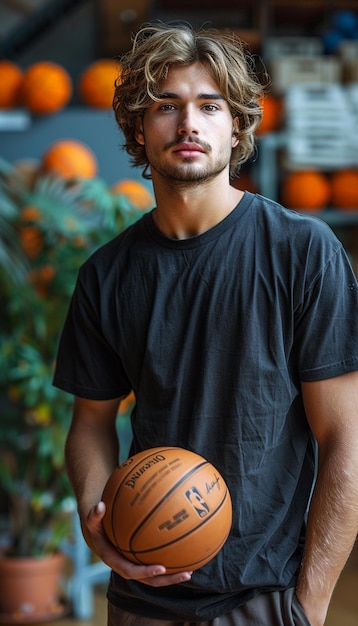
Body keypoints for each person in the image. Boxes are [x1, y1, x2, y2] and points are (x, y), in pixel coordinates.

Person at [53, 22, 358, 626]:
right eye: (166, 106)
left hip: (265, 596)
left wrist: (310, 603)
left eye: (209, 105)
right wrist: (96, 517)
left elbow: (345, 439)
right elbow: (91, 424)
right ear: (139, 129)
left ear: (238, 125)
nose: (188, 123)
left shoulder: (303, 253)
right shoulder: (107, 275)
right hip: (141, 594)